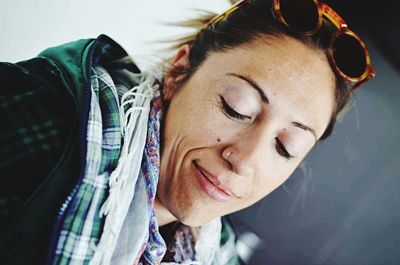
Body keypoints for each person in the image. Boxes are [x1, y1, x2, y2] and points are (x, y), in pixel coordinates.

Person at [0, 0, 375, 264]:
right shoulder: (30, 108)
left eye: (285, 147)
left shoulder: (219, 255)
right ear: (179, 71)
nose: (244, 160)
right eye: (236, 108)